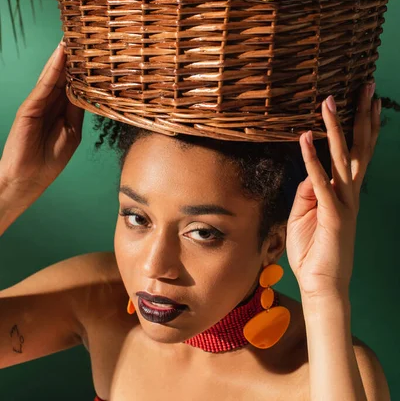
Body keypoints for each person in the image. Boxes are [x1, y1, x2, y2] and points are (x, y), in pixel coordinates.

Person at [0, 40, 391, 401]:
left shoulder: (333, 371)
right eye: (137, 217)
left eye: (202, 232)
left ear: (274, 243)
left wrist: (325, 292)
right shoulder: (95, 296)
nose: (155, 266)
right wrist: (10, 188)